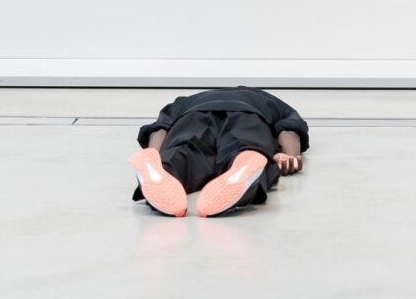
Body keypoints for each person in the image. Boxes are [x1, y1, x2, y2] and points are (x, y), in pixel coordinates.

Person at [129, 86, 308, 218]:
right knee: (247, 146)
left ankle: (164, 168)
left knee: (184, 149)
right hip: (248, 114)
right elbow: (290, 128)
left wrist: (156, 155)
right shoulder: (267, 98)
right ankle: (247, 157)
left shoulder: (184, 100)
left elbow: (160, 128)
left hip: (193, 114)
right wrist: (290, 155)